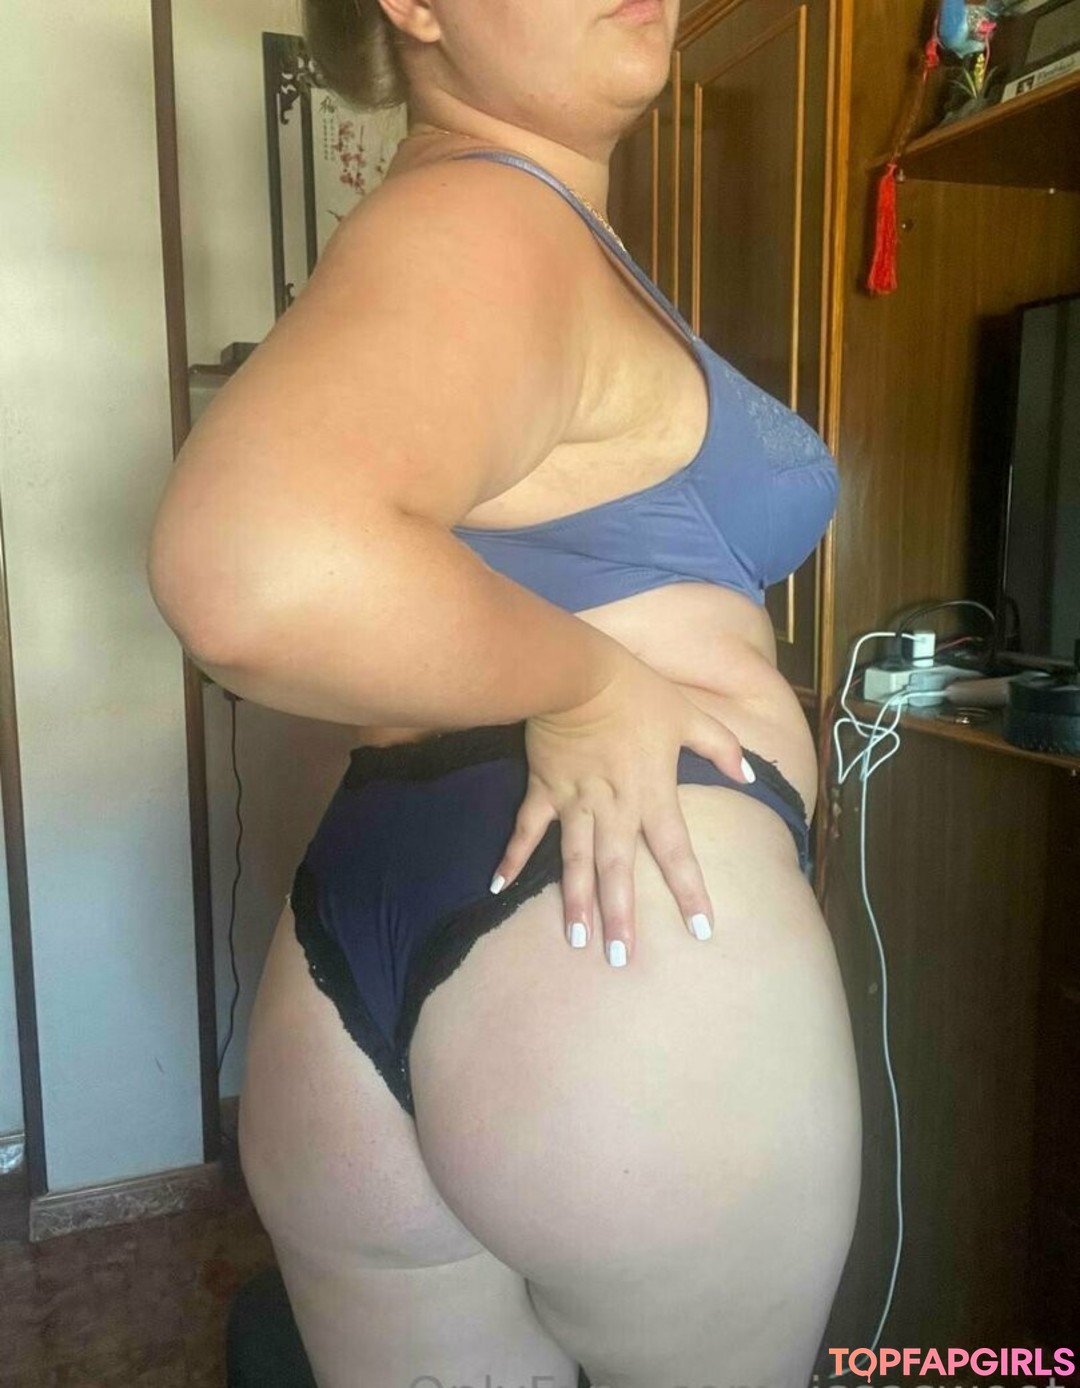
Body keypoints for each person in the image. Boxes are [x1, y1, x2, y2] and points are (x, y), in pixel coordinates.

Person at [147, 1, 862, 1384]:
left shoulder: (477, 219)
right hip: (616, 925)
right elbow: (249, 570)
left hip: (369, 927)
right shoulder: (491, 221)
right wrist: (589, 686)